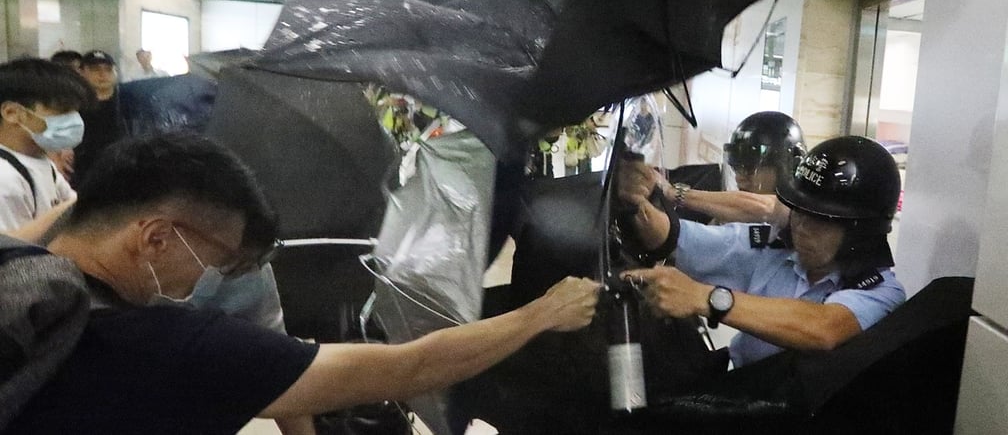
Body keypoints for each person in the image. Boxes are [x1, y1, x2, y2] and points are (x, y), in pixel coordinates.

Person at [6, 133, 599, 434]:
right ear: (156, 238)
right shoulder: (171, 346)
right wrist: (540, 314)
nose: (210, 280)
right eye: (219, 260)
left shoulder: (15, 270)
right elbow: (411, 368)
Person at [617, 135, 906, 368]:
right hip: (746, 398)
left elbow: (823, 327)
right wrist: (635, 202)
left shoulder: (881, 292)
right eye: (799, 211)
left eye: (821, 220)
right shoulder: (772, 248)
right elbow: (673, 237)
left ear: (861, 232)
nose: (802, 227)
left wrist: (706, 298)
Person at [643, 111, 806, 229]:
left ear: (787, 167)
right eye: (736, 168)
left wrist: (673, 192)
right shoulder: (731, 217)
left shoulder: (797, 215)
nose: (739, 178)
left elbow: (768, 208)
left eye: (750, 168)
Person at [0, 59, 92, 233]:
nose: (74, 121)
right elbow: (12, 251)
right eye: (62, 111)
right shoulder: (4, 178)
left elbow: (76, 210)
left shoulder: (39, 161)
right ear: (12, 113)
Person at [73, 49, 127, 187]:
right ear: (81, 72)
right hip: (82, 174)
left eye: (108, 70)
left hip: (123, 170)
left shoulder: (129, 101)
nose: (103, 74)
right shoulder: (71, 105)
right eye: (95, 69)